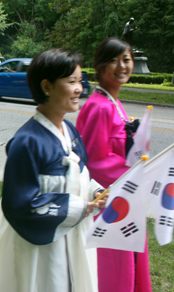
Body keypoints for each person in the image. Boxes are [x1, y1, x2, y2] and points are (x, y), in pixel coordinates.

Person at [0, 49, 107, 292]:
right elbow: (20, 204)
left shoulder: (70, 130)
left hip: (72, 234)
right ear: (47, 86)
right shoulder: (27, 142)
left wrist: (97, 191)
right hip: (40, 246)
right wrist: (79, 207)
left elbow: (82, 173)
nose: (80, 88)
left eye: (80, 81)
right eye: (71, 82)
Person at [76, 37, 152, 292]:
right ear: (99, 67)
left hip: (123, 200)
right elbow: (96, 162)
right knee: (111, 271)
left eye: (126, 59)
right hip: (109, 205)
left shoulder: (114, 104)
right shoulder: (99, 107)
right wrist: (135, 171)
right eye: (114, 60)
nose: (122, 66)